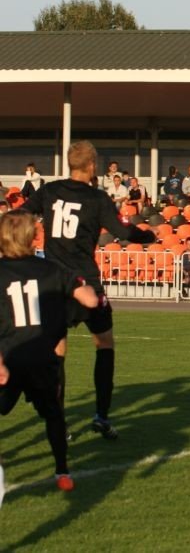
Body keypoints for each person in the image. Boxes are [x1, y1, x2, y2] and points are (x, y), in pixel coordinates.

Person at [24, 140, 156, 440]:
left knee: (58, 352)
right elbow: (123, 232)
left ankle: (58, 422)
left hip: (55, 284)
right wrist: (150, 235)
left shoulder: (50, 190)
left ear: (71, 164)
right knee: (104, 344)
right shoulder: (96, 199)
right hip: (86, 283)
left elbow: (19, 216)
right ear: (92, 165)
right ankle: (101, 417)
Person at [0, 210, 98, 494]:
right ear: (31, 237)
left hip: (10, 355)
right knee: (53, 415)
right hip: (43, 358)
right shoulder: (52, 268)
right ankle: (62, 472)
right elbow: (89, 299)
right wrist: (90, 291)